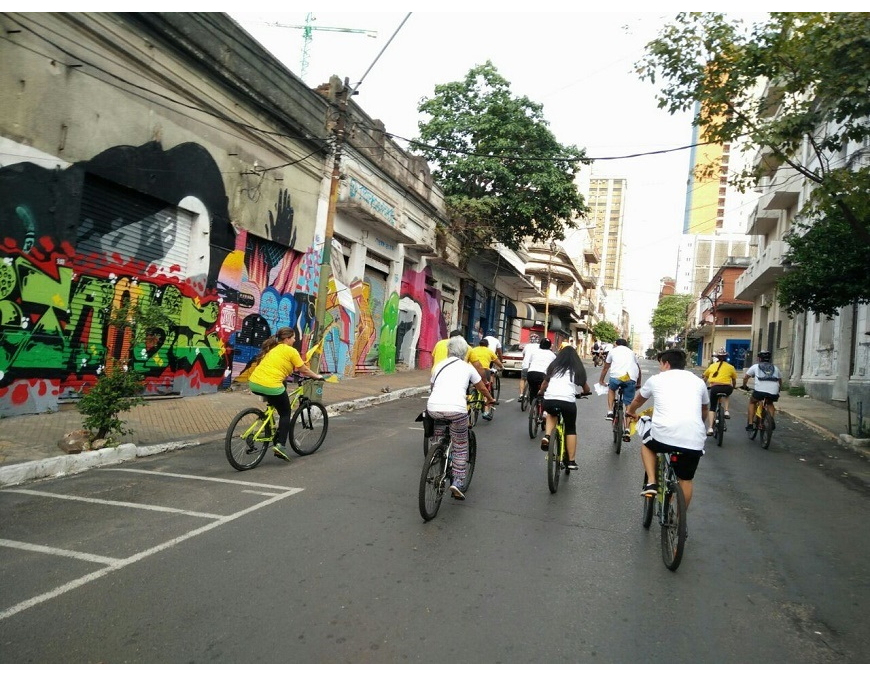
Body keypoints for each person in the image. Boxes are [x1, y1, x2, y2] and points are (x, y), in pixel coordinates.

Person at [625, 348, 709, 509]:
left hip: (663, 436)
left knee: (647, 444)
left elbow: (638, 400)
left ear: (667, 364)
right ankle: (679, 522)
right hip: (694, 440)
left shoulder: (657, 380)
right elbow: (704, 409)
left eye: (660, 364)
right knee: (686, 479)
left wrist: (630, 412)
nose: (659, 368)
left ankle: (651, 482)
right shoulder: (698, 381)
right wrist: (699, 424)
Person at [427, 335, 497, 500]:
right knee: (460, 444)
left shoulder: (439, 366)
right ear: (465, 352)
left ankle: (436, 454)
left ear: (449, 350)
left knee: (438, 436)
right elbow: (481, 387)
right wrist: (489, 399)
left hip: (434, 407)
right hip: (457, 410)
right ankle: (457, 481)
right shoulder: (467, 368)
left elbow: (432, 386)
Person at [247, 327, 324, 462]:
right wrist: (316, 376)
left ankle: (267, 422)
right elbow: (303, 370)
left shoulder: (273, 348)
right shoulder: (291, 351)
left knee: (281, 388)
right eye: (293, 337)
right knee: (285, 413)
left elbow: (276, 366)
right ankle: (281, 446)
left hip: (254, 383)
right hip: (270, 385)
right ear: (287, 339)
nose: (295, 340)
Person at [538, 345, 592, 470]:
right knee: (571, 429)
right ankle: (571, 461)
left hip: (550, 400)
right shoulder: (577, 369)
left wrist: (541, 392)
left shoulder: (553, 367)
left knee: (552, 414)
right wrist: (585, 392)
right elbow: (586, 388)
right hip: (567, 402)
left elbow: (545, 383)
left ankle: (547, 436)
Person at [599, 338, 641, 441]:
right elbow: (638, 369)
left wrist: (601, 380)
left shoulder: (613, 351)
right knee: (628, 405)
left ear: (616, 344)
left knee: (611, 389)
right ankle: (627, 429)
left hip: (616, 378)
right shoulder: (632, 353)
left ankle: (609, 411)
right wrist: (638, 383)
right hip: (630, 379)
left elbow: (606, 367)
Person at [742, 350, 782, 431]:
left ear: (759, 358)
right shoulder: (775, 368)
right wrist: (778, 389)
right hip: (774, 391)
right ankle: (771, 420)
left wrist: (744, 386)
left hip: (759, 391)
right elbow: (780, 381)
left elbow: (746, 377)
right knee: (770, 403)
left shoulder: (755, 366)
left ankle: (750, 424)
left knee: (752, 402)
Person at [702, 347, 737, 436]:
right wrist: (733, 387)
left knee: (712, 407)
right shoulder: (731, 367)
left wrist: (703, 387)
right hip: (727, 388)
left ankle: (710, 428)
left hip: (715, 388)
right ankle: (726, 410)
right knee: (727, 395)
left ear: (717, 357)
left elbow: (705, 379)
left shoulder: (712, 366)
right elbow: (734, 380)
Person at [468, 338, 503, 420]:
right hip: (484, 370)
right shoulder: (489, 351)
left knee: (472, 386)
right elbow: (497, 361)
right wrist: (502, 366)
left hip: (472, 369)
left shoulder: (473, 349)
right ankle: (486, 412)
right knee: (486, 389)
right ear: (487, 345)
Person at [525, 337, 556, 404]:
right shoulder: (553, 355)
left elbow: (530, 364)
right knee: (546, 391)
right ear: (550, 346)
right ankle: (544, 410)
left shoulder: (534, 352)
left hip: (531, 373)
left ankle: (532, 407)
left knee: (533, 390)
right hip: (543, 375)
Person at [519, 334, 541, 401]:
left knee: (523, 379)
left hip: (525, 365)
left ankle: (521, 394)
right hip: (535, 367)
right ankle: (529, 394)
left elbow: (523, 355)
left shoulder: (527, 346)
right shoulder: (540, 346)